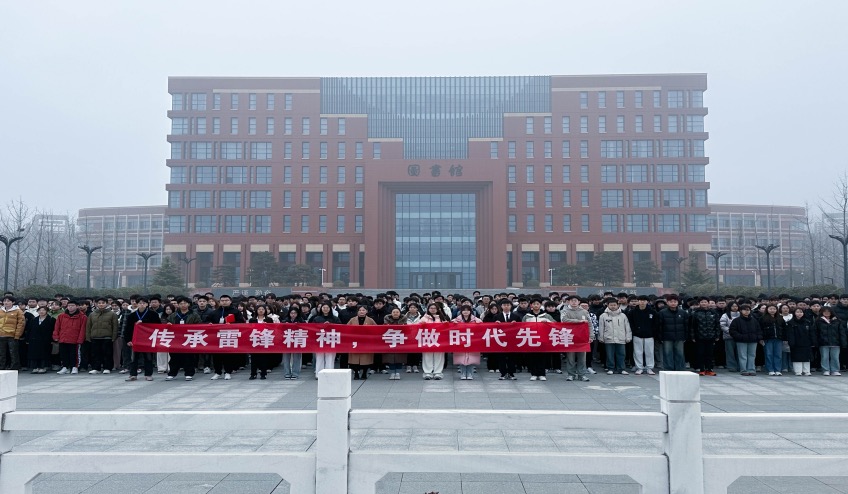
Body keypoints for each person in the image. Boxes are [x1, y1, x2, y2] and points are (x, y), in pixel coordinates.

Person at [205, 294, 245, 381]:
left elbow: (241, 322)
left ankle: (228, 372)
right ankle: (217, 372)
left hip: (229, 336)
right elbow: (207, 320)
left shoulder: (235, 311)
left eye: (226, 300)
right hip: (217, 337)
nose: (224, 302)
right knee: (216, 356)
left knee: (228, 355)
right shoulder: (215, 312)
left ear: (230, 301)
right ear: (219, 302)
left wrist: (232, 324)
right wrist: (209, 323)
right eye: (222, 300)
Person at [123, 297, 162, 381]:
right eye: (140, 303)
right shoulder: (132, 315)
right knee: (134, 358)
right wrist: (128, 340)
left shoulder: (153, 314)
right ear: (137, 304)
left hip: (148, 339)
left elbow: (158, 326)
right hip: (135, 339)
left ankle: (148, 374)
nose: (142, 305)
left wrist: (144, 323)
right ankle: (133, 374)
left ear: (147, 304)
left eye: (144, 303)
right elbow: (127, 329)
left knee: (148, 357)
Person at [166, 297, 202, 381]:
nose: (183, 305)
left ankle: (189, 373)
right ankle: (172, 373)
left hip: (188, 338)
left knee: (188, 357)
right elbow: (167, 323)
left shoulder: (194, 314)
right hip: (176, 339)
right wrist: (168, 324)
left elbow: (199, 325)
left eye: (185, 303)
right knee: (174, 357)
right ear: (178, 305)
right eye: (181, 303)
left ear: (188, 304)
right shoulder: (174, 315)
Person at [559, 296, 592, 382]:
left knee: (582, 357)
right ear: (569, 302)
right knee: (570, 357)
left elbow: (589, 325)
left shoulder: (584, 312)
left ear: (579, 302)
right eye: (572, 301)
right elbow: (564, 320)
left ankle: (582, 374)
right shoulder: (564, 311)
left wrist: (591, 336)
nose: (574, 302)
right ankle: (571, 374)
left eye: (575, 300)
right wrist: (579, 321)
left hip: (582, 338)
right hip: (570, 337)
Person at [522, 299, 555, 381]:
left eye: (537, 304)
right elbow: (522, 326)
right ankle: (533, 374)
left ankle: (542, 374)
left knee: (542, 357)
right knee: (532, 357)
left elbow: (554, 324)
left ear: (540, 305)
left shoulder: (546, 315)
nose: (536, 305)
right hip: (531, 338)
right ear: (531, 305)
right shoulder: (527, 316)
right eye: (534, 304)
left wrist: (547, 322)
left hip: (543, 338)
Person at [52, 300, 87, 375]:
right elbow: (57, 327)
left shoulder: (82, 317)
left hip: (75, 339)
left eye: (72, 306)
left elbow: (83, 329)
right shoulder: (61, 316)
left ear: (77, 306)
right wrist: (56, 336)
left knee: (74, 354)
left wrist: (80, 339)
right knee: (63, 354)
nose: (70, 307)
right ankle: (65, 367)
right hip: (63, 338)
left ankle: (74, 367)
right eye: (69, 306)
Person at [85, 297, 118, 374]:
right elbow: (88, 326)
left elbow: (115, 326)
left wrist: (114, 337)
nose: (101, 304)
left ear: (107, 304)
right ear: (96, 304)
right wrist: (88, 337)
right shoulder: (92, 314)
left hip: (107, 337)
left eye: (103, 303)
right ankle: (96, 368)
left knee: (107, 353)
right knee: (95, 353)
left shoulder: (112, 314)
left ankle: (107, 367)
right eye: (99, 303)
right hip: (95, 337)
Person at [599, 298, 632, 375]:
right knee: (609, 354)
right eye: (611, 305)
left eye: (614, 305)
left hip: (621, 337)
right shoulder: (603, 316)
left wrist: (628, 337)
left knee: (621, 354)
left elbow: (627, 327)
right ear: (608, 305)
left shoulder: (623, 315)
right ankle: (610, 368)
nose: (613, 306)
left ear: (618, 305)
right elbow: (601, 327)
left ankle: (621, 368)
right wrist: (601, 337)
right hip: (608, 337)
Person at [689, 297, 720, 376]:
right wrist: (693, 337)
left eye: (705, 302)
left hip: (711, 336)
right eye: (702, 302)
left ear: (708, 303)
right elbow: (692, 326)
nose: (704, 303)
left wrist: (717, 335)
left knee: (710, 354)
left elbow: (717, 325)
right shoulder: (695, 313)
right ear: (699, 303)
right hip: (699, 336)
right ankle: (702, 369)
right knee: (700, 353)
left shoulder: (713, 312)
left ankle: (709, 369)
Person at [419, 302, 450, 380]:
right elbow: (418, 327)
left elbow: (447, 328)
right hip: (427, 339)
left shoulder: (442, 317)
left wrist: (446, 324)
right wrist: (421, 324)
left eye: (434, 308)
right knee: (427, 356)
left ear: (437, 309)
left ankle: (438, 372)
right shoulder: (424, 318)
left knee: (439, 356)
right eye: (431, 308)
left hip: (439, 339)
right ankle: (427, 372)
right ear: (428, 309)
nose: (433, 310)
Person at [657, 295, 689, 371]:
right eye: (671, 302)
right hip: (667, 337)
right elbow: (659, 326)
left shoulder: (683, 312)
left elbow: (686, 325)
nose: (673, 303)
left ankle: (679, 369)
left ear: (678, 302)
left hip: (680, 336)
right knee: (667, 353)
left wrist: (686, 336)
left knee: (680, 353)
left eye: (675, 302)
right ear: (667, 303)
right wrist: (660, 337)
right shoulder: (662, 313)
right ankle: (668, 369)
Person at [729, 304, 763, 376]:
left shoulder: (754, 320)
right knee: (742, 356)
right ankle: (743, 370)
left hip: (753, 340)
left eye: (748, 310)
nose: (746, 311)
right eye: (744, 310)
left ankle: (751, 369)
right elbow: (732, 331)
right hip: (741, 341)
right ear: (741, 311)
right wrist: (740, 337)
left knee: (752, 355)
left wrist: (758, 337)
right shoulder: (736, 320)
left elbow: (759, 330)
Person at [310, 302, 340, 378]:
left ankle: (329, 374)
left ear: (330, 309)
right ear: (321, 309)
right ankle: (319, 374)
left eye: (327, 308)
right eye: (324, 308)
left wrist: (330, 325)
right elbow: (312, 329)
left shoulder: (335, 318)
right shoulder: (316, 318)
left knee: (330, 358)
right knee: (319, 357)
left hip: (331, 340)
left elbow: (340, 328)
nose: (325, 309)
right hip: (320, 340)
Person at [627, 295, 656, 375]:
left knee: (649, 352)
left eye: (644, 300)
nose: (642, 302)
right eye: (640, 300)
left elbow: (655, 324)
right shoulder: (632, 312)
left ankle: (649, 368)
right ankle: (639, 367)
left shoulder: (652, 312)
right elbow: (630, 323)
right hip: (637, 335)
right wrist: (635, 331)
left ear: (647, 302)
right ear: (638, 301)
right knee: (637, 352)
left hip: (649, 335)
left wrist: (652, 333)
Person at [452, 305, 482, 380]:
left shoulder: (476, 320)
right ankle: (462, 373)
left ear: (470, 311)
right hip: (461, 341)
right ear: (461, 311)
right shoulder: (456, 320)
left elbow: (481, 327)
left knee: (471, 358)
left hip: (472, 341)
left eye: (467, 310)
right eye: (464, 310)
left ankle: (470, 373)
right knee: (462, 358)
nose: (466, 312)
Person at [347, 305, 376, 380]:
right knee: (354, 359)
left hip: (366, 342)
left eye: (363, 310)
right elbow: (346, 329)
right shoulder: (352, 320)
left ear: (366, 311)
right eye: (360, 310)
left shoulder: (370, 320)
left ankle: (364, 373)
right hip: (355, 342)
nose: (361, 312)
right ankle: (356, 373)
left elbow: (376, 329)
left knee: (366, 359)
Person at [816, 306, 846, 376]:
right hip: (823, 342)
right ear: (822, 312)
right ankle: (825, 370)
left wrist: (843, 342)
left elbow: (841, 332)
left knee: (835, 357)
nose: (827, 313)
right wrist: (817, 341)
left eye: (828, 311)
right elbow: (816, 332)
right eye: (825, 311)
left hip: (835, 342)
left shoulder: (837, 321)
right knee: (824, 357)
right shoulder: (819, 321)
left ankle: (835, 370)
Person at [248, 304, 275, 380]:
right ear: (256, 310)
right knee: (254, 358)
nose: (261, 311)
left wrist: (266, 326)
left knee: (264, 358)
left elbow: (272, 329)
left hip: (264, 340)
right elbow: (249, 329)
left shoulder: (269, 319)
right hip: (255, 340)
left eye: (262, 309)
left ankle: (263, 373)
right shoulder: (252, 320)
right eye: (259, 309)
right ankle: (253, 374)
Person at [26, 306, 54, 373]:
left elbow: (53, 330)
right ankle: (35, 367)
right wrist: (28, 339)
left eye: (43, 310)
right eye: (40, 310)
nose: (41, 311)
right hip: (34, 339)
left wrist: (52, 339)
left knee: (44, 354)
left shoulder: (51, 319)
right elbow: (29, 330)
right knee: (34, 354)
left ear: (47, 311)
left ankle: (43, 367)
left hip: (46, 340)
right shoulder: (34, 319)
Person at [0, 295, 25, 370]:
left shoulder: (18, 311)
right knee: (1, 353)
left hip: (12, 335)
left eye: (8, 301)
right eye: (4, 301)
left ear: (13, 302)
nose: (6, 302)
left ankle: (15, 366)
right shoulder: (1, 310)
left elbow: (21, 324)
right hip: (1, 334)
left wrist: (17, 335)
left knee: (13, 352)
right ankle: (2, 366)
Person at [786, 308, 814, 376]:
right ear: (794, 313)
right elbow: (790, 334)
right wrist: (791, 342)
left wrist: (813, 341)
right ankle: (798, 371)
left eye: (801, 312)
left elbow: (811, 332)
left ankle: (806, 371)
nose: (799, 313)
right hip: (796, 343)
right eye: (797, 312)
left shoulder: (807, 322)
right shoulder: (791, 323)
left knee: (806, 357)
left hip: (806, 342)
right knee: (797, 357)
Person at [760, 304, 786, 376]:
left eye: (774, 309)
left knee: (778, 354)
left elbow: (784, 329)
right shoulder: (763, 318)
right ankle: (770, 369)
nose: (772, 310)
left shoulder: (780, 318)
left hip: (778, 338)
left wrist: (784, 338)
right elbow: (760, 329)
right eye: (770, 309)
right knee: (769, 354)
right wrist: (761, 338)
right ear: (767, 310)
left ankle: (777, 369)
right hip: (767, 339)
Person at [280, 306, 305, 380]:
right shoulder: (285, 320)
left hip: (297, 340)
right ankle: (287, 373)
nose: (293, 314)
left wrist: (299, 325)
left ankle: (295, 373)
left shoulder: (301, 321)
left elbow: (305, 329)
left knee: (296, 358)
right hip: (287, 341)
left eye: (295, 313)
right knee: (286, 358)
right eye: (291, 313)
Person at [382, 307, 407, 380]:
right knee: (390, 357)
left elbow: (407, 329)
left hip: (400, 340)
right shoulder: (387, 319)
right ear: (391, 313)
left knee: (400, 357)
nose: (395, 313)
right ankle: (392, 372)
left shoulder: (403, 319)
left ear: (400, 313)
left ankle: (398, 372)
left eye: (397, 312)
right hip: (390, 340)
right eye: (394, 312)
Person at [720, 303, 741, 372]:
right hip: (729, 336)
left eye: (736, 306)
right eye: (733, 306)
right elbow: (723, 325)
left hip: (740, 336)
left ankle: (740, 366)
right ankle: (732, 366)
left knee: (740, 352)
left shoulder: (741, 314)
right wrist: (732, 332)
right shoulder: (725, 315)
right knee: (730, 352)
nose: (735, 307)